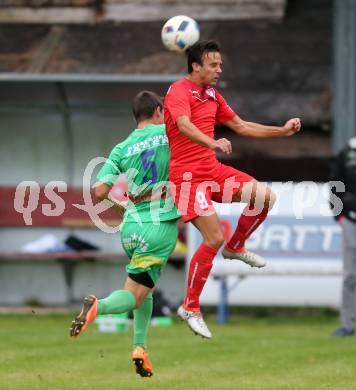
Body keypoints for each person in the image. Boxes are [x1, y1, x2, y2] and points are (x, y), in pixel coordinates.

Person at [164, 40, 301, 339]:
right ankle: (190, 307)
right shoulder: (178, 91)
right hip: (186, 177)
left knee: (265, 197)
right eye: (213, 65)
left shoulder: (212, 94)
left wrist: (282, 131)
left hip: (211, 170)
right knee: (213, 237)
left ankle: (236, 247)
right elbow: (184, 125)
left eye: (220, 65)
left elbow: (240, 126)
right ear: (196, 66)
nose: (219, 70)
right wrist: (211, 142)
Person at [69, 91, 180, 377]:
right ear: (158, 110)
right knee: (133, 294)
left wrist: (120, 207)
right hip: (158, 224)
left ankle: (140, 347)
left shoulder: (122, 146)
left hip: (131, 226)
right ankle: (99, 307)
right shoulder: (170, 132)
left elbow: (99, 191)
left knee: (145, 288)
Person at [330, 137, 356, 337]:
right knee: (350, 275)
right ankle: (347, 324)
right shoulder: (346, 152)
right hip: (350, 220)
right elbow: (335, 185)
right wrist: (338, 215)